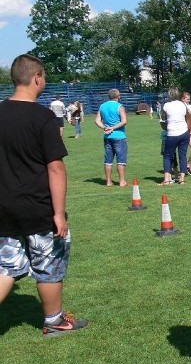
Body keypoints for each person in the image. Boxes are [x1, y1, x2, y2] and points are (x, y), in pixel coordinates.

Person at [0, 54, 88, 337]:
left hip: (4, 206)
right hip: (38, 206)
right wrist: (59, 213)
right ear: (37, 77)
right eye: (45, 77)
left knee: (7, 266)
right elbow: (56, 167)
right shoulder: (42, 117)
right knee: (48, 262)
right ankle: (54, 321)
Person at [95, 88, 128, 187]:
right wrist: (113, 128)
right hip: (119, 136)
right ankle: (122, 181)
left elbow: (97, 120)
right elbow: (124, 121)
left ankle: (108, 182)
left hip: (107, 136)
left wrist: (104, 127)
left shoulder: (102, 106)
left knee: (108, 160)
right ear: (118, 96)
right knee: (121, 159)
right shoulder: (119, 106)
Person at [160, 87, 191, 185]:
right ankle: (182, 178)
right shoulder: (183, 105)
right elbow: (188, 117)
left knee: (167, 156)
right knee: (182, 155)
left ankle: (166, 179)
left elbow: (163, 119)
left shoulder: (166, 105)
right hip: (184, 132)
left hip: (172, 133)